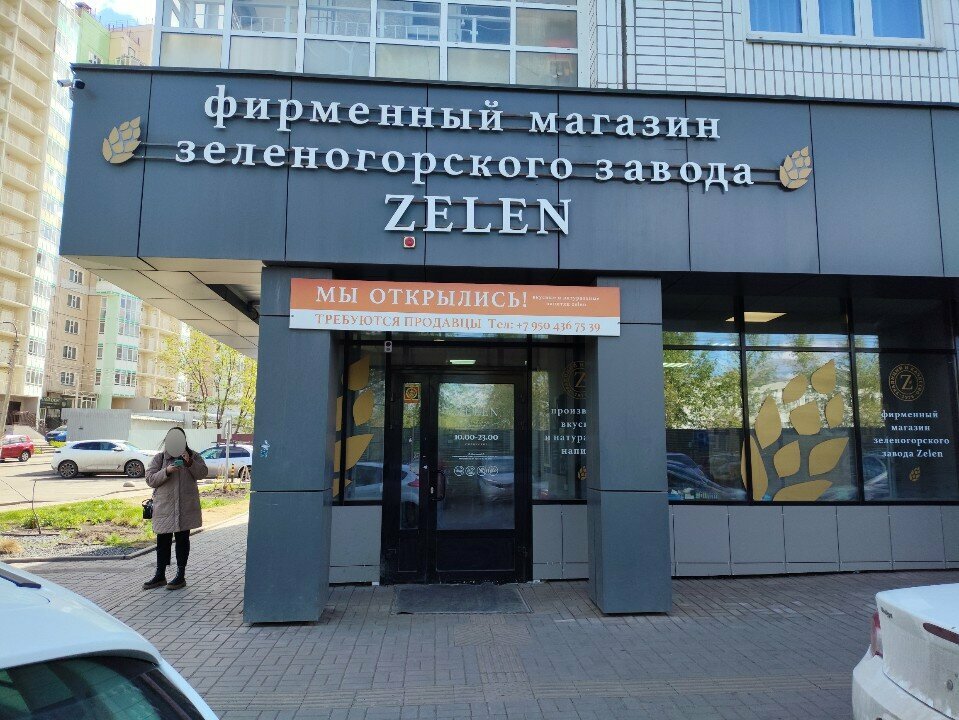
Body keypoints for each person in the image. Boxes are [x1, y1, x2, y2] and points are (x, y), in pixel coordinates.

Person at [143, 427, 207, 590]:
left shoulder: (193, 456)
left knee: (182, 541)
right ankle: (160, 575)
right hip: (165, 508)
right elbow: (150, 479)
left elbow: (203, 473)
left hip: (185, 508)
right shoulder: (160, 459)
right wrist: (167, 471)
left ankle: (180, 575)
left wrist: (190, 463)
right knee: (162, 542)